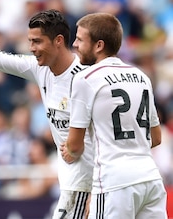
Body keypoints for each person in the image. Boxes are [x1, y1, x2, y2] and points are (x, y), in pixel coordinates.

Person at [0, 6, 94, 219]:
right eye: (30, 41)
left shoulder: (88, 78)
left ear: (58, 41)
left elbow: (106, 137)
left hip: (90, 186)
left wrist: (97, 191)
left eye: (37, 41)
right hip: (71, 184)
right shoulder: (40, 69)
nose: (31, 48)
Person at [63, 12, 167, 218]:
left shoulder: (86, 78)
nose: (74, 44)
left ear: (99, 45)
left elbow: (75, 146)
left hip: (114, 182)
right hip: (151, 179)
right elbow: (155, 138)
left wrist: (69, 151)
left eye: (80, 39)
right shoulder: (141, 76)